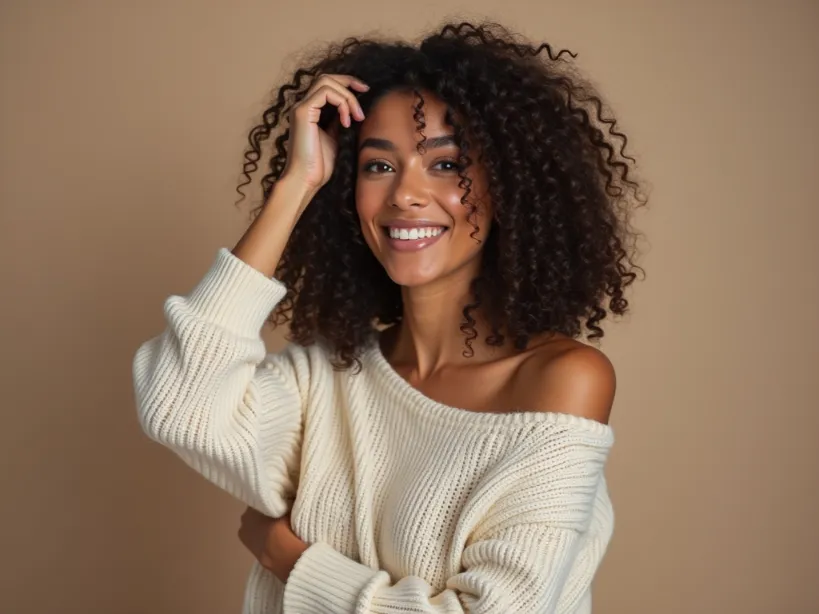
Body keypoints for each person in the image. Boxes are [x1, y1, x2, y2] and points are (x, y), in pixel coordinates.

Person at [133, 19, 645, 614]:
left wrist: (294, 563)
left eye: (447, 164)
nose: (404, 193)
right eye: (378, 166)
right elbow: (181, 407)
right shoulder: (328, 374)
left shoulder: (560, 379)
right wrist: (296, 186)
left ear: (509, 186)